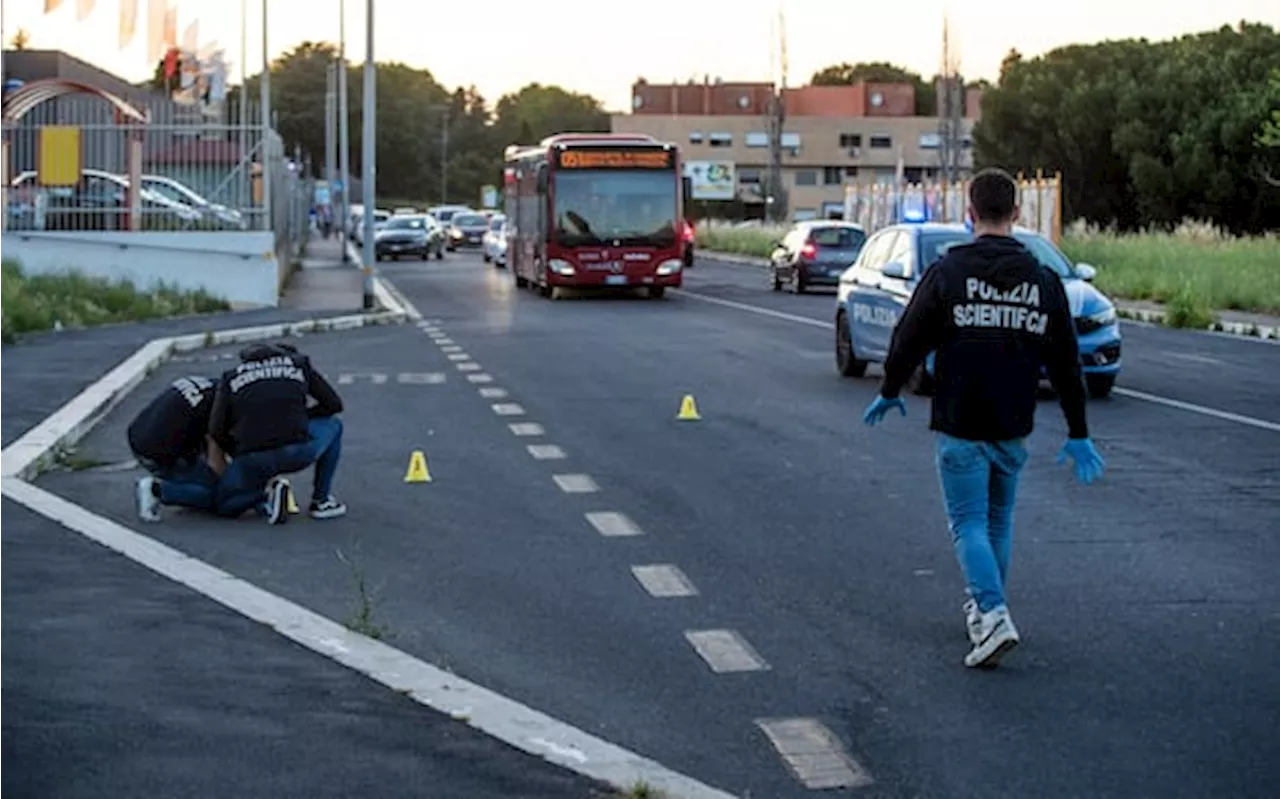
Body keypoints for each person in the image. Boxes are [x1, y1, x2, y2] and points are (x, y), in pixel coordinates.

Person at [861, 167, 1106, 669]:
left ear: (969, 214)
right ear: (1016, 214)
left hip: (959, 422)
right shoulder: (1043, 281)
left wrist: (889, 389)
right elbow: (1066, 363)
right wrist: (1078, 432)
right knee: (997, 520)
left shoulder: (948, 274)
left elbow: (908, 336)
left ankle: (993, 613)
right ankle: (982, 607)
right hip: (1013, 424)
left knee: (968, 521)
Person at [208, 342, 347, 524]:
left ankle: (264, 498)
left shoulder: (230, 377)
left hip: (253, 456)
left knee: (226, 505)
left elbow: (216, 429)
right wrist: (302, 417)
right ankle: (321, 501)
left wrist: (238, 453)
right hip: (296, 450)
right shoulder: (299, 364)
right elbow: (334, 404)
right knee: (334, 425)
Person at [128, 374, 223, 523]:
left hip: (138, 434)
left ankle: (180, 485)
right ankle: (157, 490)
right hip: (157, 451)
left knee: (201, 473)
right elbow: (215, 459)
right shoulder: (217, 407)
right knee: (216, 495)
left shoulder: (210, 385)